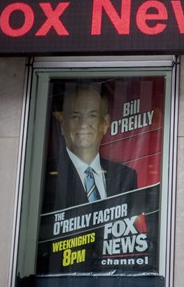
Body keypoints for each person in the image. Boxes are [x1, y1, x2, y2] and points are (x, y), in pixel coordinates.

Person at [41, 84, 137, 212]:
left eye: (92, 116)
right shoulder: (45, 176)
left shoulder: (125, 176)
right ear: (63, 125)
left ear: (105, 123)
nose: (83, 124)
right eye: (75, 116)